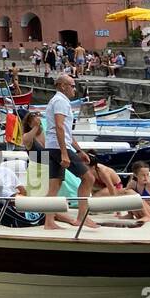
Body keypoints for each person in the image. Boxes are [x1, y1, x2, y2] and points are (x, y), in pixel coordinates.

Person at [45, 72, 96, 230]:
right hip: (59, 148)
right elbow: (59, 127)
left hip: (53, 146)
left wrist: (79, 150)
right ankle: (82, 217)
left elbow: (66, 131)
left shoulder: (56, 101)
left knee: (54, 186)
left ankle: (49, 222)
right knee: (88, 178)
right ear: (62, 86)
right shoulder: (61, 101)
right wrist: (65, 153)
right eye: (72, 86)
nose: (75, 89)